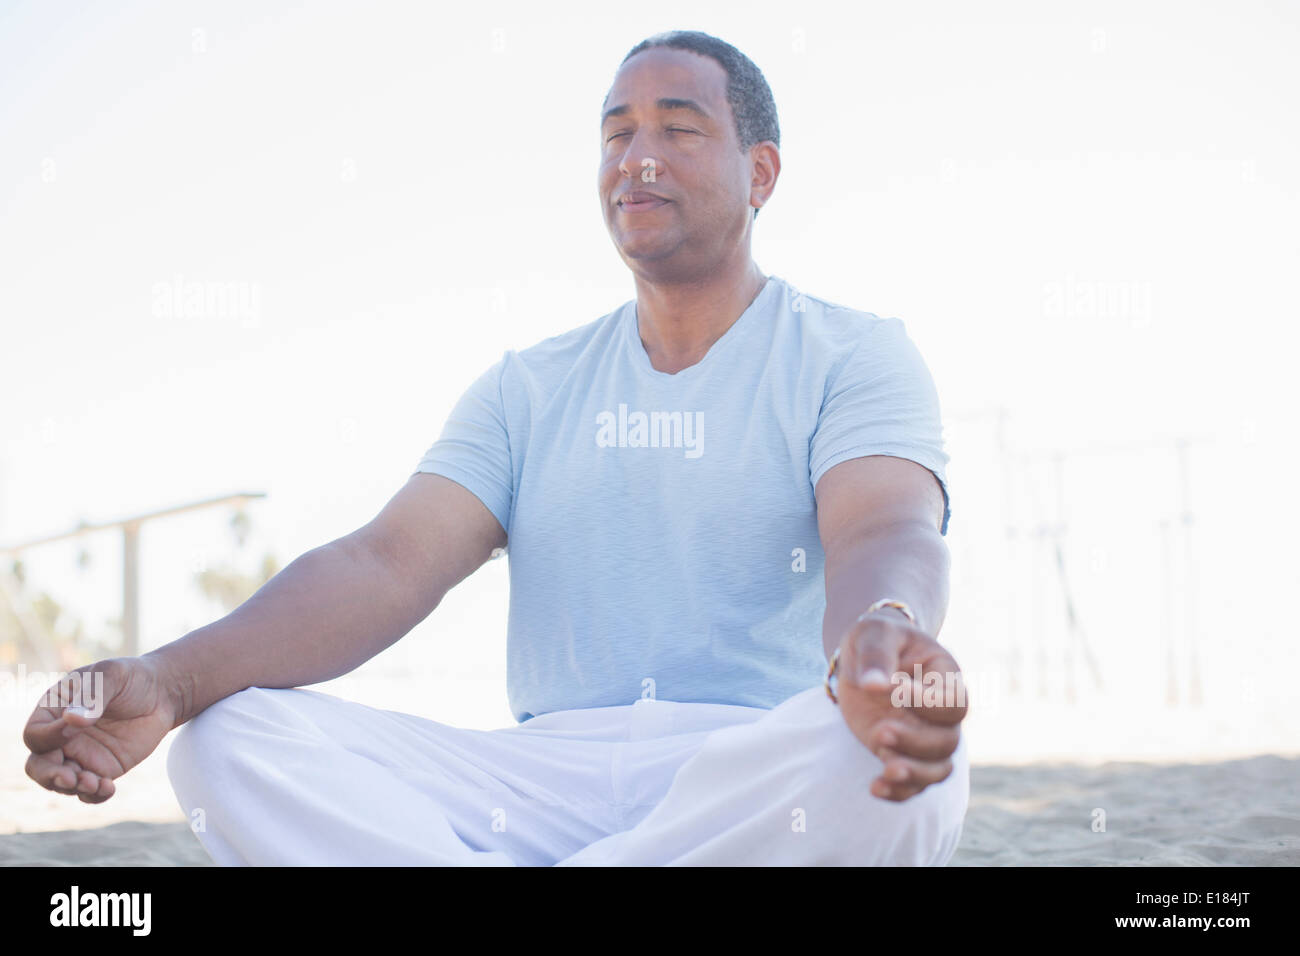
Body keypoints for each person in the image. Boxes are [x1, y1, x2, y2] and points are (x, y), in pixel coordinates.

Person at [22, 30, 969, 866]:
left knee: (912, 755)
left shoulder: (853, 351)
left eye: (677, 129)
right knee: (227, 739)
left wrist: (881, 632)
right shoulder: (529, 386)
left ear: (761, 173)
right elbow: (385, 564)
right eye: (615, 134)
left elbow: (884, 526)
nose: (637, 157)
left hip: (748, 771)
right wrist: (170, 679)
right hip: (538, 782)